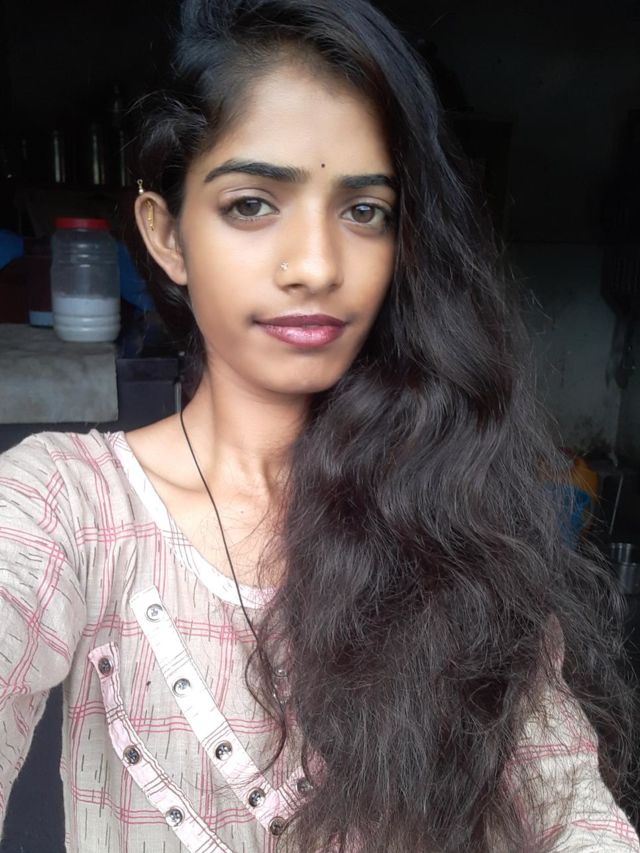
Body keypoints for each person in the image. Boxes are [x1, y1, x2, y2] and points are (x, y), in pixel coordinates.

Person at [0, 1, 638, 850]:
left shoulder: (451, 497)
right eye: (252, 203)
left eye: (363, 211)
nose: (316, 265)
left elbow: (572, 802)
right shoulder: (65, 505)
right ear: (167, 235)